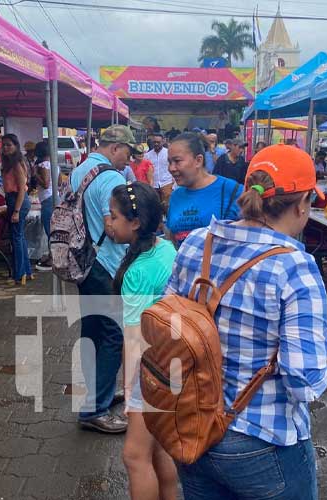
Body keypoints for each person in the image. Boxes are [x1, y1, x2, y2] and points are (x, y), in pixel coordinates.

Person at [166, 144, 327, 499]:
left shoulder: (198, 243)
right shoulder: (294, 267)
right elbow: (305, 382)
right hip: (262, 442)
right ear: (302, 203)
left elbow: (169, 325)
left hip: (192, 426)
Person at [108, 182, 178, 500]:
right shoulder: (165, 248)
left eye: (113, 216)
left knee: (135, 457)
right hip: (175, 363)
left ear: (135, 223)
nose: (108, 222)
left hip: (152, 372)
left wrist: (128, 389)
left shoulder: (137, 272)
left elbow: (133, 338)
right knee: (161, 448)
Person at [72, 125, 138, 434]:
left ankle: (98, 394)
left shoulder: (80, 170)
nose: (129, 159)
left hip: (84, 262)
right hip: (106, 264)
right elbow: (113, 226)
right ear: (114, 147)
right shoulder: (112, 177)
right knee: (112, 335)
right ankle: (95, 408)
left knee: (93, 331)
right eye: (127, 151)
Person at [166, 133, 243, 246]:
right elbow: (172, 236)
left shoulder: (231, 190)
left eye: (177, 161)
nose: (171, 168)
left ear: (198, 160)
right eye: (169, 162)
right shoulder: (176, 196)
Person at [1, 134, 33, 285]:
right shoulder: (9, 163)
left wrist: (16, 211)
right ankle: (26, 271)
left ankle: (19, 274)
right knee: (19, 236)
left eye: (9, 145)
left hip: (18, 200)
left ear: (16, 146)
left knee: (17, 237)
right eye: (4, 145)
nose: (5, 148)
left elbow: (21, 189)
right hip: (13, 199)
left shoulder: (17, 164)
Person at [33, 142, 54, 271]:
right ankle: (52, 255)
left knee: (49, 229)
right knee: (52, 229)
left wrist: (35, 175)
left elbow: (45, 184)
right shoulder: (54, 164)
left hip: (47, 199)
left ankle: (52, 258)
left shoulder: (43, 165)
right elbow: (58, 182)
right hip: (54, 197)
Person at [144, 133, 173, 211]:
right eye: (154, 142)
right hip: (154, 185)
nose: (156, 144)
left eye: (158, 142)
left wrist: (174, 183)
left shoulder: (169, 153)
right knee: (155, 208)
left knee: (168, 208)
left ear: (163, 141)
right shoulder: (147, 155)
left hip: (167, 183)